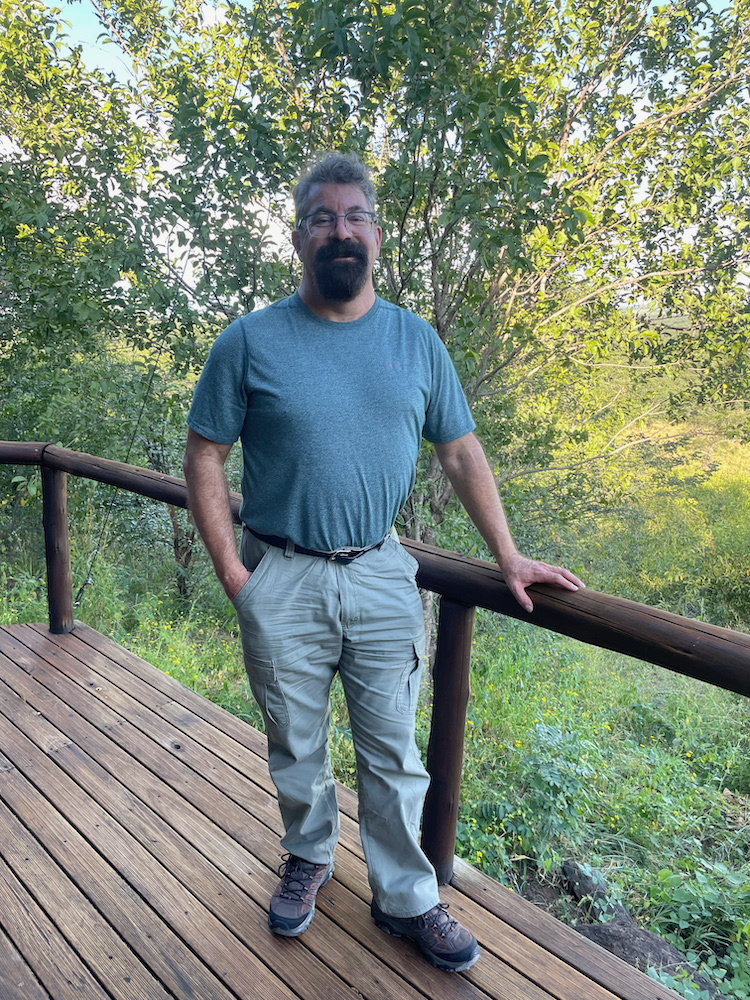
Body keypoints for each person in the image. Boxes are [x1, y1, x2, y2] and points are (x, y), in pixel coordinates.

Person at [182, 151, 583, 973]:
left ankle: (406, 896)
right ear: (300, 236)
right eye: (323, 218)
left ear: (375, 233)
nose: (341, 231)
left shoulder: (415, 341)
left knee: (394, 752)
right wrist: (234, 575)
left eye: (355, 217)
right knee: (294, 739)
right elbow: (205, 456)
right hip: (281, 571)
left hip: (380, 572)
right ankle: (309, 854)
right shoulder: (249, 341)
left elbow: (460, 451)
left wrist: (508, 556)